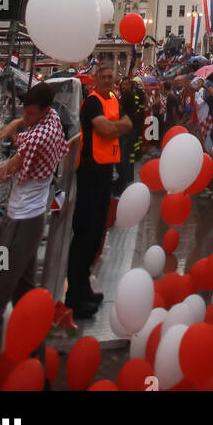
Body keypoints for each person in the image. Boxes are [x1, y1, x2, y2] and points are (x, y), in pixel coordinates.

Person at [0, 82, 69, 355]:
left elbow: (3, 173)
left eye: (31, 115)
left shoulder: (35, 139)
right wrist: (16, 123)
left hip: (18, 226)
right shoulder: (52, 121)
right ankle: (36, 363)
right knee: (25, 294)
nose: (26, 118)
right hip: (31, 220)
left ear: (43, 110)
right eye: (26, 113)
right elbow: (30, 121)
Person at [65, 62, 132, 319]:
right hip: (90, 173)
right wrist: (116, 127)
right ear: (95, 79)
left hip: (105, 172)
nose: (106, 80)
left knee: (95, 236)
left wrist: (116, 127)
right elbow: (107, 129)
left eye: (109, 76)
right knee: (84, 236)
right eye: (102, 76)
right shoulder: (92, 102)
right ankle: (74, 297)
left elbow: (127, 123)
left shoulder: (114, 99)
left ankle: (85, 290)